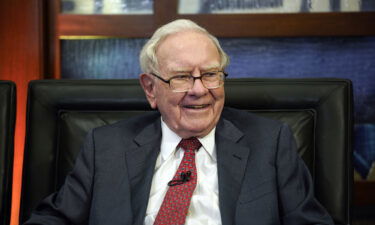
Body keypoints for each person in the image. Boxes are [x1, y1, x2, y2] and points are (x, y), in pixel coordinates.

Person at [24, 19, 334, 225]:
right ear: (150, 88)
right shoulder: (105, 147)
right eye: (182, 77)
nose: (199, 90)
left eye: (211, 74)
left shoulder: (270, 142)